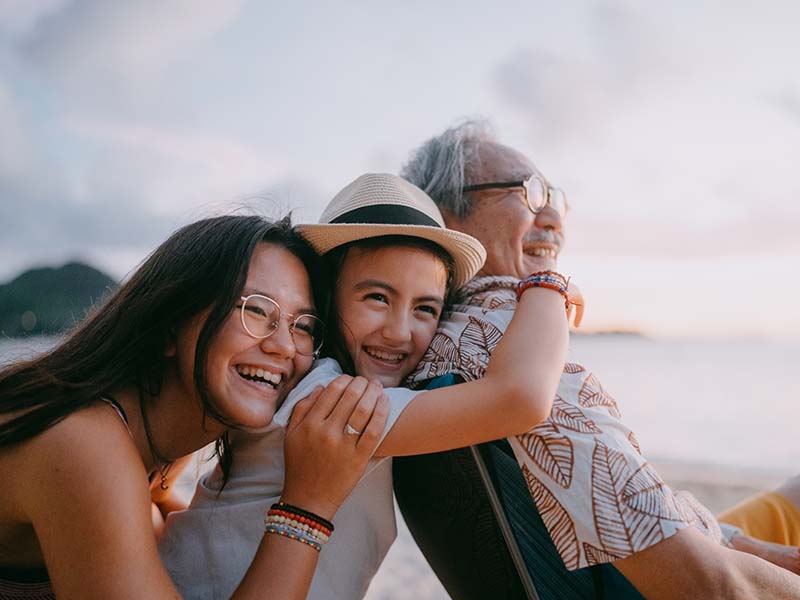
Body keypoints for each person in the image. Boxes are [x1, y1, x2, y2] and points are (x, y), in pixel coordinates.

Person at [394, 119, 800, 599]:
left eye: (555, 197)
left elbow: (641, 511)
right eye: (529, 192)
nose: (554, 219)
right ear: (446, 216)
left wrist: (753, 549)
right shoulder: (511, 349)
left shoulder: (439, 338)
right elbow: (710, 585)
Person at [158, 172, 572, 599]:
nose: (399, 332)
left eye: (425, 308)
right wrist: (547, 286)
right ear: (325, 296)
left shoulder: (300, 381)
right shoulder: (333, 401)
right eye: (377, 298)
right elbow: (520, 398)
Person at [0, 215, 390, 599]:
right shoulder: (83, 444)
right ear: (170, 323)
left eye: (303, 326)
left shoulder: (165, 455)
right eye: (256, 310)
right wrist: (307, 508)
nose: (285, 346)